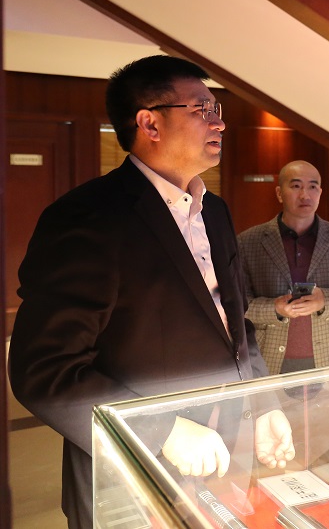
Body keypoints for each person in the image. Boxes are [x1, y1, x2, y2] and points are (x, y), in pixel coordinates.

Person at [7, 56, 294, 529]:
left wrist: (262, 402)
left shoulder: (215, 211)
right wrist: (162, 432)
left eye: (216, 108)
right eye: (201, 108)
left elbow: (234, 323)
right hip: (131, 471)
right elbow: (44, 371)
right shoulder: (88, 217)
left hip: (223, 457)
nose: (219, 121)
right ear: (150, 123)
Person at [238, 160, 329, 375]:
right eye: (296, 186)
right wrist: (275, 308)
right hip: (266, 359)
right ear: (279, 193)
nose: (305, 195)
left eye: (312, 187)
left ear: (320, 192)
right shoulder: (249, 241)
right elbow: (239, 305)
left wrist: (323, 300)